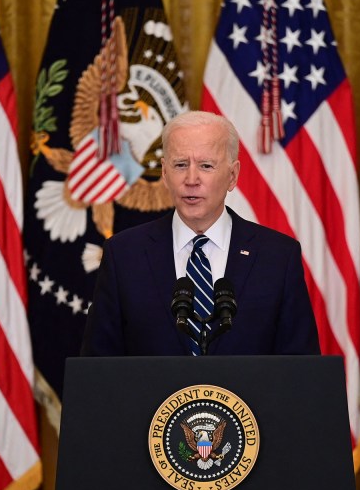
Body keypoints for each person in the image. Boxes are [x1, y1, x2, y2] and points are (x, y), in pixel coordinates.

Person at [80, 110, 320, 357]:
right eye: (180, 165)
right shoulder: (124, 255)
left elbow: (301, 371)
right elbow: (98, 371)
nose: (191, 179)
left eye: (206, 166)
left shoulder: (278, 257)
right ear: (164, 173)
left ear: (232, 175)